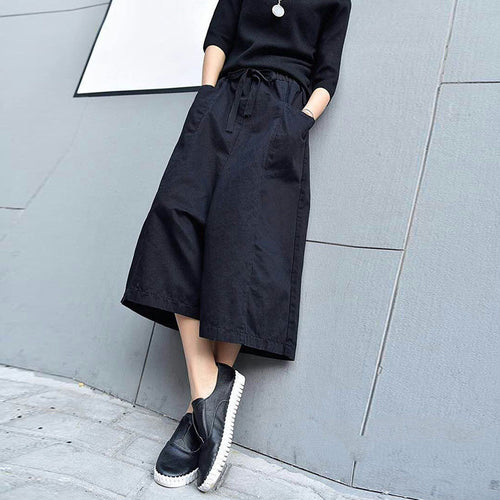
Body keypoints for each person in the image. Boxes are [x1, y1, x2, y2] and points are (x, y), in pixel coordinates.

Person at [120, 0, 351, 492]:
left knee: (242, 240)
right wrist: (207, 95)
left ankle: (197, 415)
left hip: (281, 112)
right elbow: (219, 37)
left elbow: (327, 72)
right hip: (222, 99)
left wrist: (299, 122)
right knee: (176, 216)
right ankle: (208, 388)